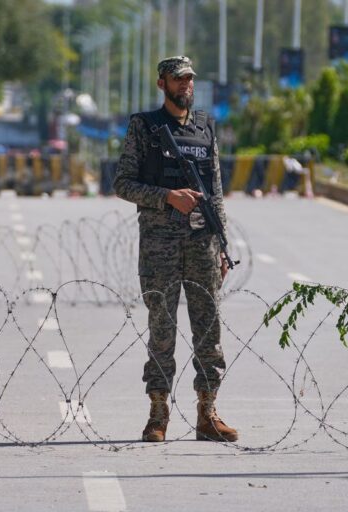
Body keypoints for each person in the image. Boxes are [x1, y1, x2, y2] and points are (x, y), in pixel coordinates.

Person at [113, 56, 238, 443]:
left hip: (202, 244)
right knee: (162, 331)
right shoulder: (145, 127)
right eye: (178, 79)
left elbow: (216, 192)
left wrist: (222, 245)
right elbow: (123, 184)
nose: (185, 85)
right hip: (160, 245)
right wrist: (168, 197)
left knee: (209, 330)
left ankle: (207, 412)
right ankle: (158, 412)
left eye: (189, 79)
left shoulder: (205, 128)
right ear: (162, 84)